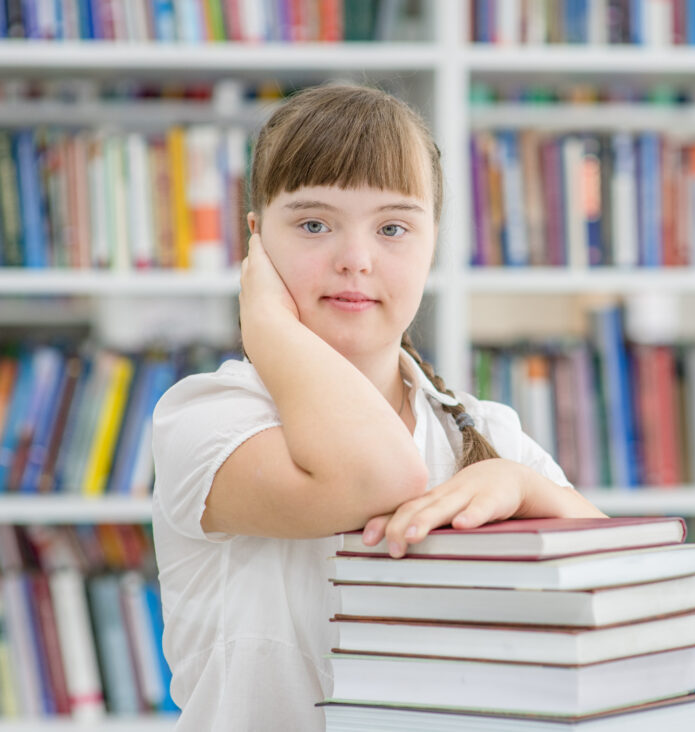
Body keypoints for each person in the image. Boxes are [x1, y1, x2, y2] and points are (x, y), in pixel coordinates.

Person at [151, 83, 606, 731]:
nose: (356, 261)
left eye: (393, 227)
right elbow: (375, 477)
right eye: (313, 225)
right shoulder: (205, 418)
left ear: (433, 243)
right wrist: (269, 327)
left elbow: (616, 595)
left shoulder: (488, 432)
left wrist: (526, 485)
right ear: (255, 242)